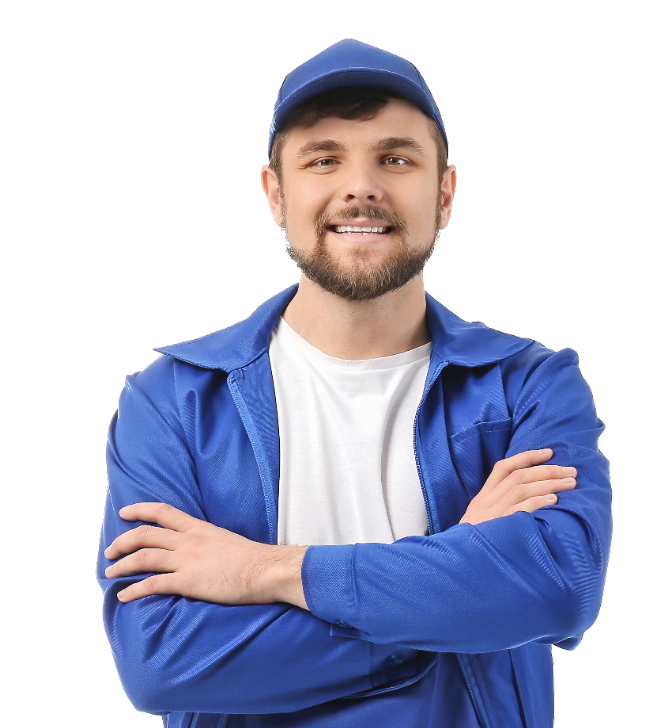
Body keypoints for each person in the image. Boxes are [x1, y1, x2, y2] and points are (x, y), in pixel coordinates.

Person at [98, 39, 612, 728]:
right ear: (276, 194)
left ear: (445, 193)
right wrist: (451, 586)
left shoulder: (530, 384)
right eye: (323, 159)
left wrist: (266, 571)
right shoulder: (171, 400)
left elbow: (557, 590)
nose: (360, 187)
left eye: (396, 159)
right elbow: (160, 662)